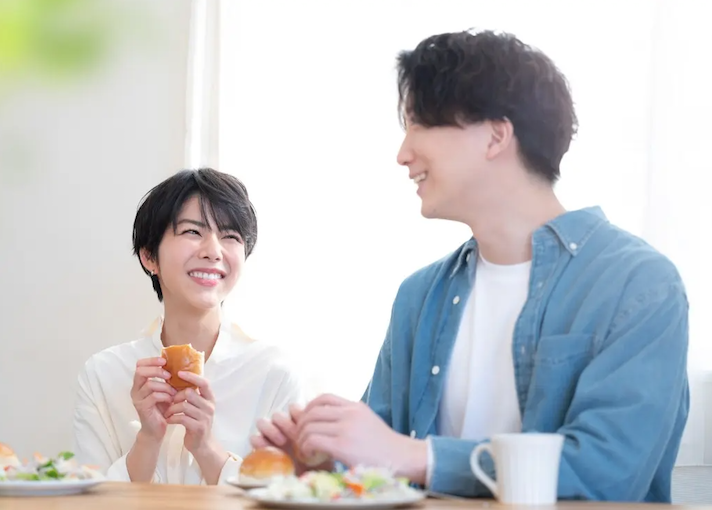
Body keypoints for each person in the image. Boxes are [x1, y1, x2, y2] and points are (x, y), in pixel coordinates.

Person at [252, 29, 689, 502]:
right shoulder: (420, 295)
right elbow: (384, 462)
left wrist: (418, 456)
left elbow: (607, 471)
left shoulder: (639, 285)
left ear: (496, 136)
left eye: (419, 124)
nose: (402, 154)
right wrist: (322, 461)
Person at [72, 168, 307, 485]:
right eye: (192, 232)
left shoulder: (274, 374)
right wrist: (148, 439)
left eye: (230, 237)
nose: (213, 251)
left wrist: (206, 448)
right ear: (149, 256)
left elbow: (288, 497)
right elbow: (89, 498)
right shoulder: (103, 374)